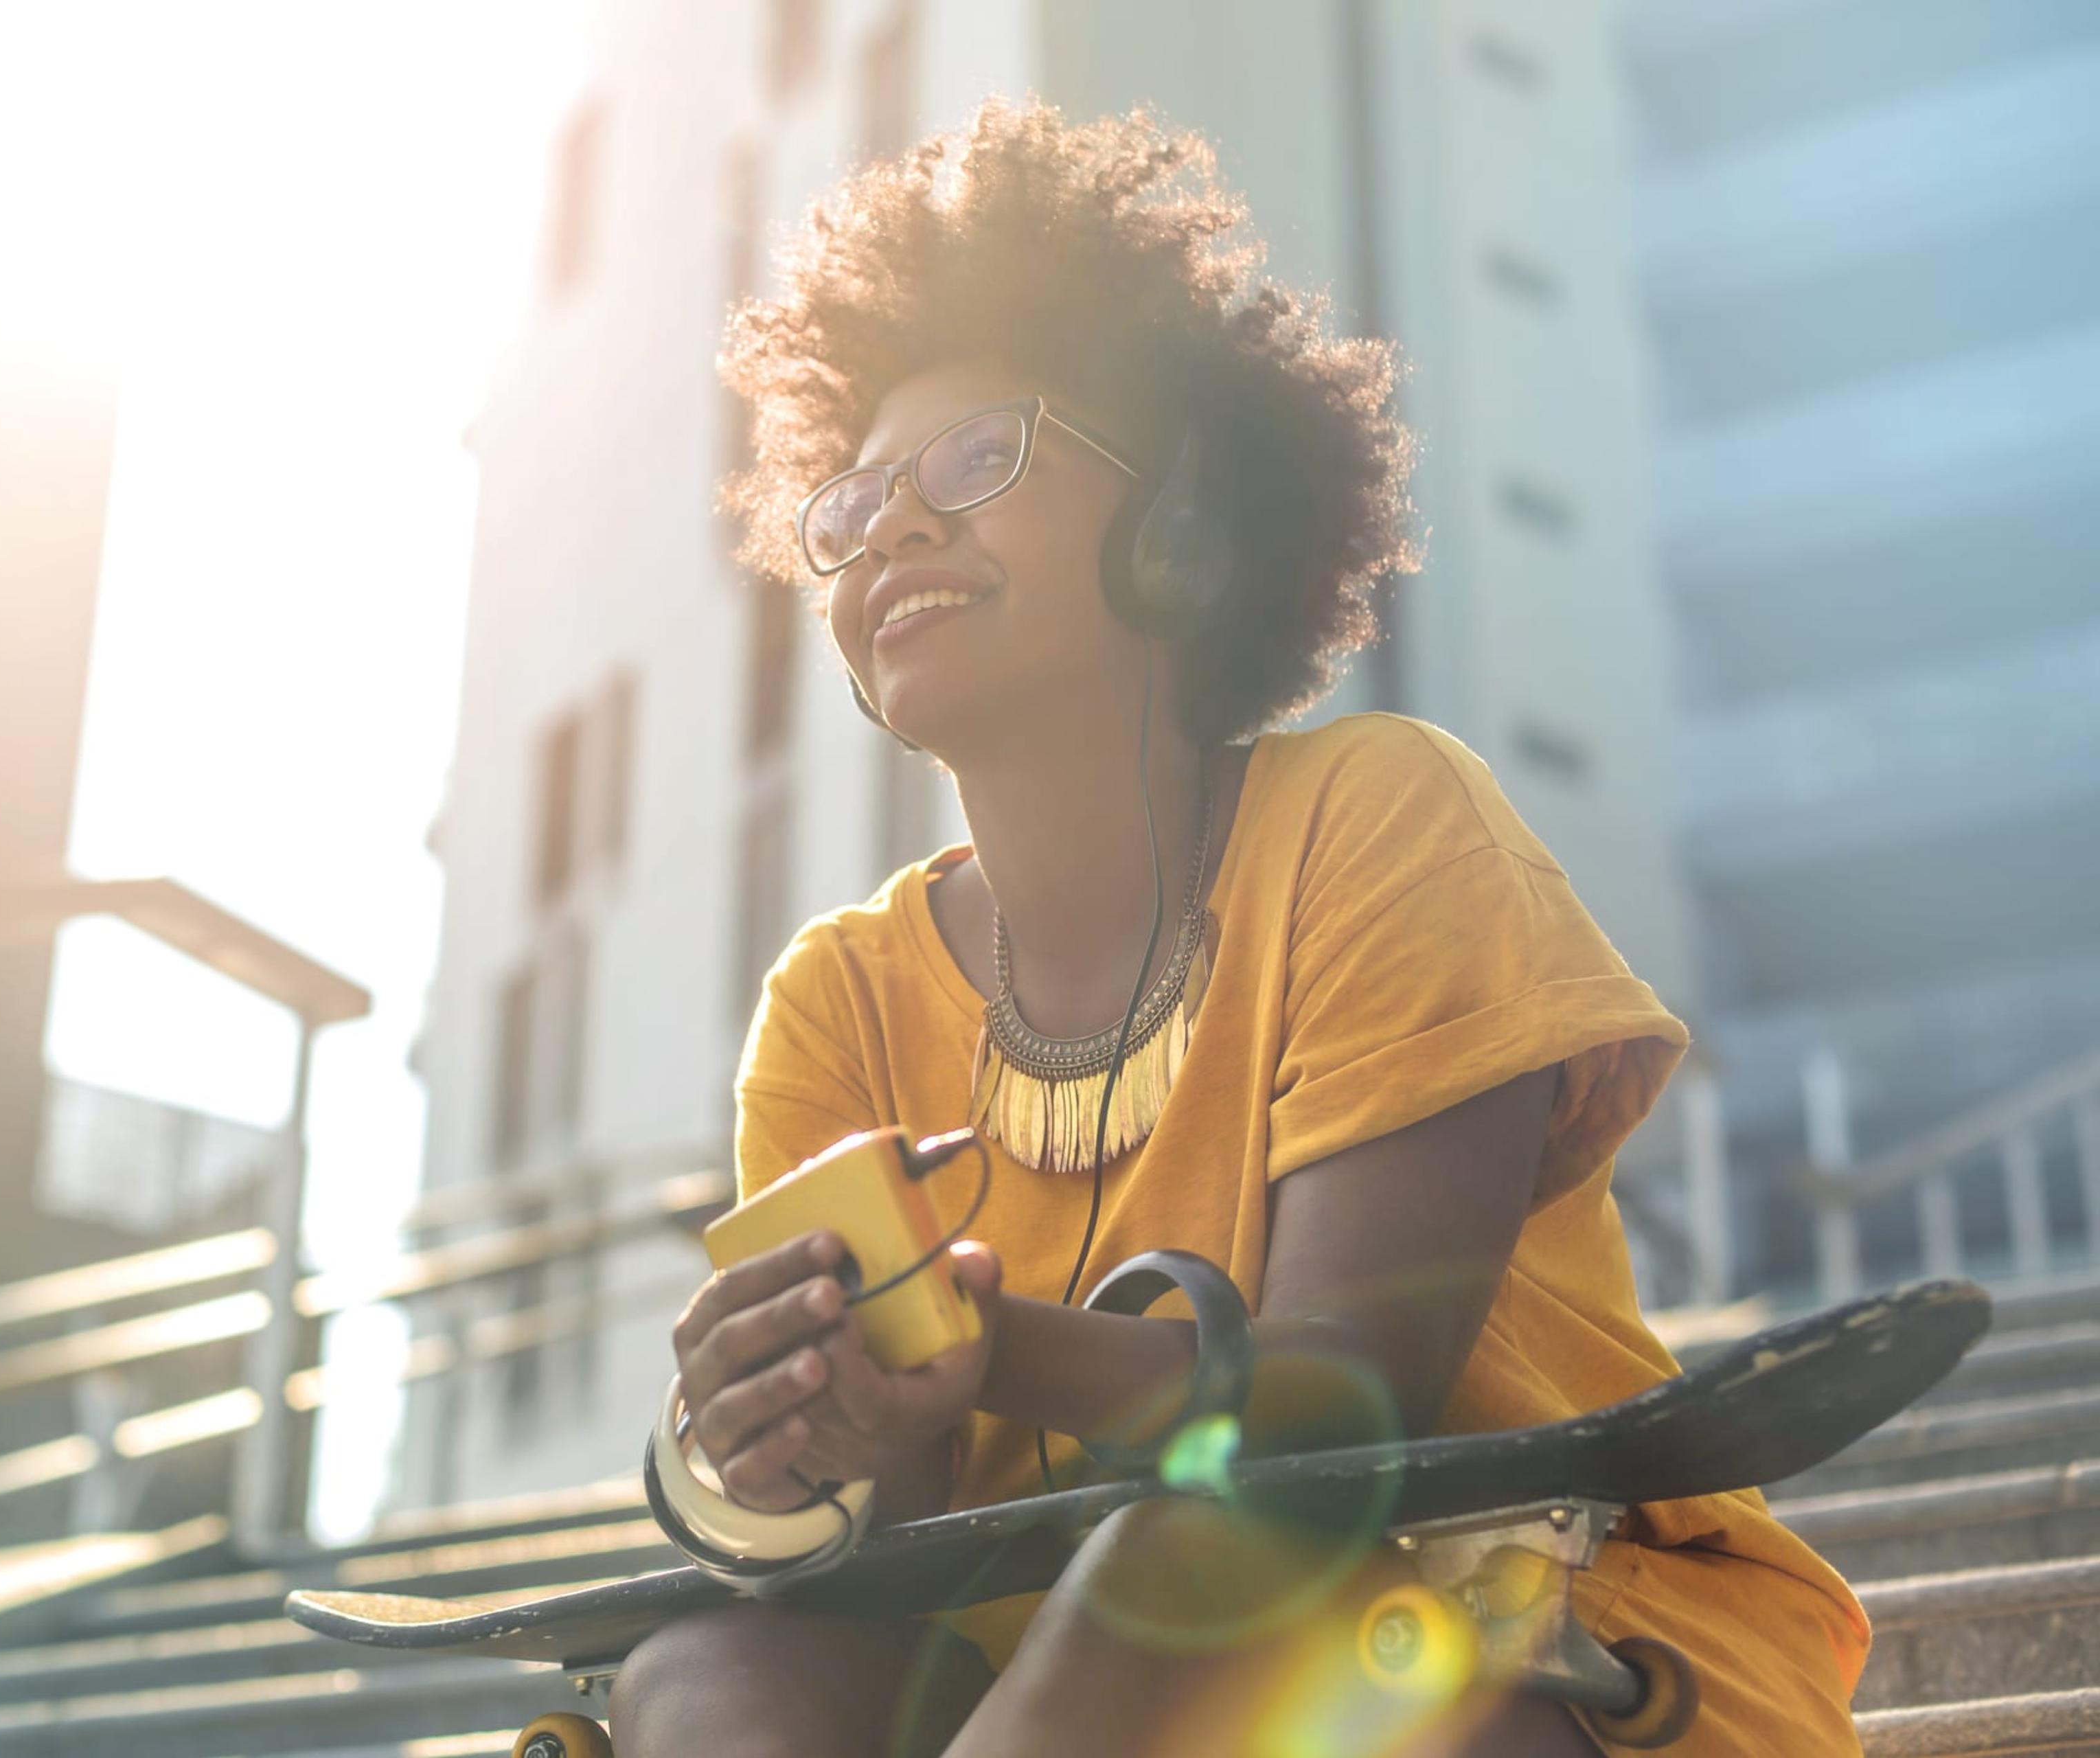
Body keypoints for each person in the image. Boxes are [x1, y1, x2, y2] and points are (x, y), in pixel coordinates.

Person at [610, 99, 1865, 1757]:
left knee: (1185, 1569)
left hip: (1501, 1641)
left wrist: (988, 1345)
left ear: (1178, 516)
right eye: (845, 510)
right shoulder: (837, 999)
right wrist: (799, 1416)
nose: (891, 527)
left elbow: (1337, 1414)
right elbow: (900, 1536)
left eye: (977, 460)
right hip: (1045, 1688)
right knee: (712, 1670)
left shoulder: (1381, 816)